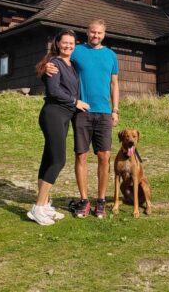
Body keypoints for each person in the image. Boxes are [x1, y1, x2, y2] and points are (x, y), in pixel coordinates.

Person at [44, 19, 119, 219]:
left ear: (104, 34)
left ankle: (101, 200)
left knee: (104, 157)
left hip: (104, 112)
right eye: (93, 32)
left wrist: (116, 109)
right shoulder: (77, 50)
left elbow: (114, 84)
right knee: (81, 156)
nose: (96, 35)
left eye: (100, 33)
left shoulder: (111, 55)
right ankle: (85, 200)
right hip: (82, 112)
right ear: (87, 32)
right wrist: (46, 67)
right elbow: (58, 56)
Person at [28, 30, 90, 225]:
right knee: (58, 160)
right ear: (57, 43)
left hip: (63, 116)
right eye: (65, 43)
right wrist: (75, 101)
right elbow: (54, 91)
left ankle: (44, 204)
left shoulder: (71, 65)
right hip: (54, 113)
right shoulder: (54, 64)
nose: (68, 46)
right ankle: (38, 207)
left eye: (72, 43)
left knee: (48, 159)